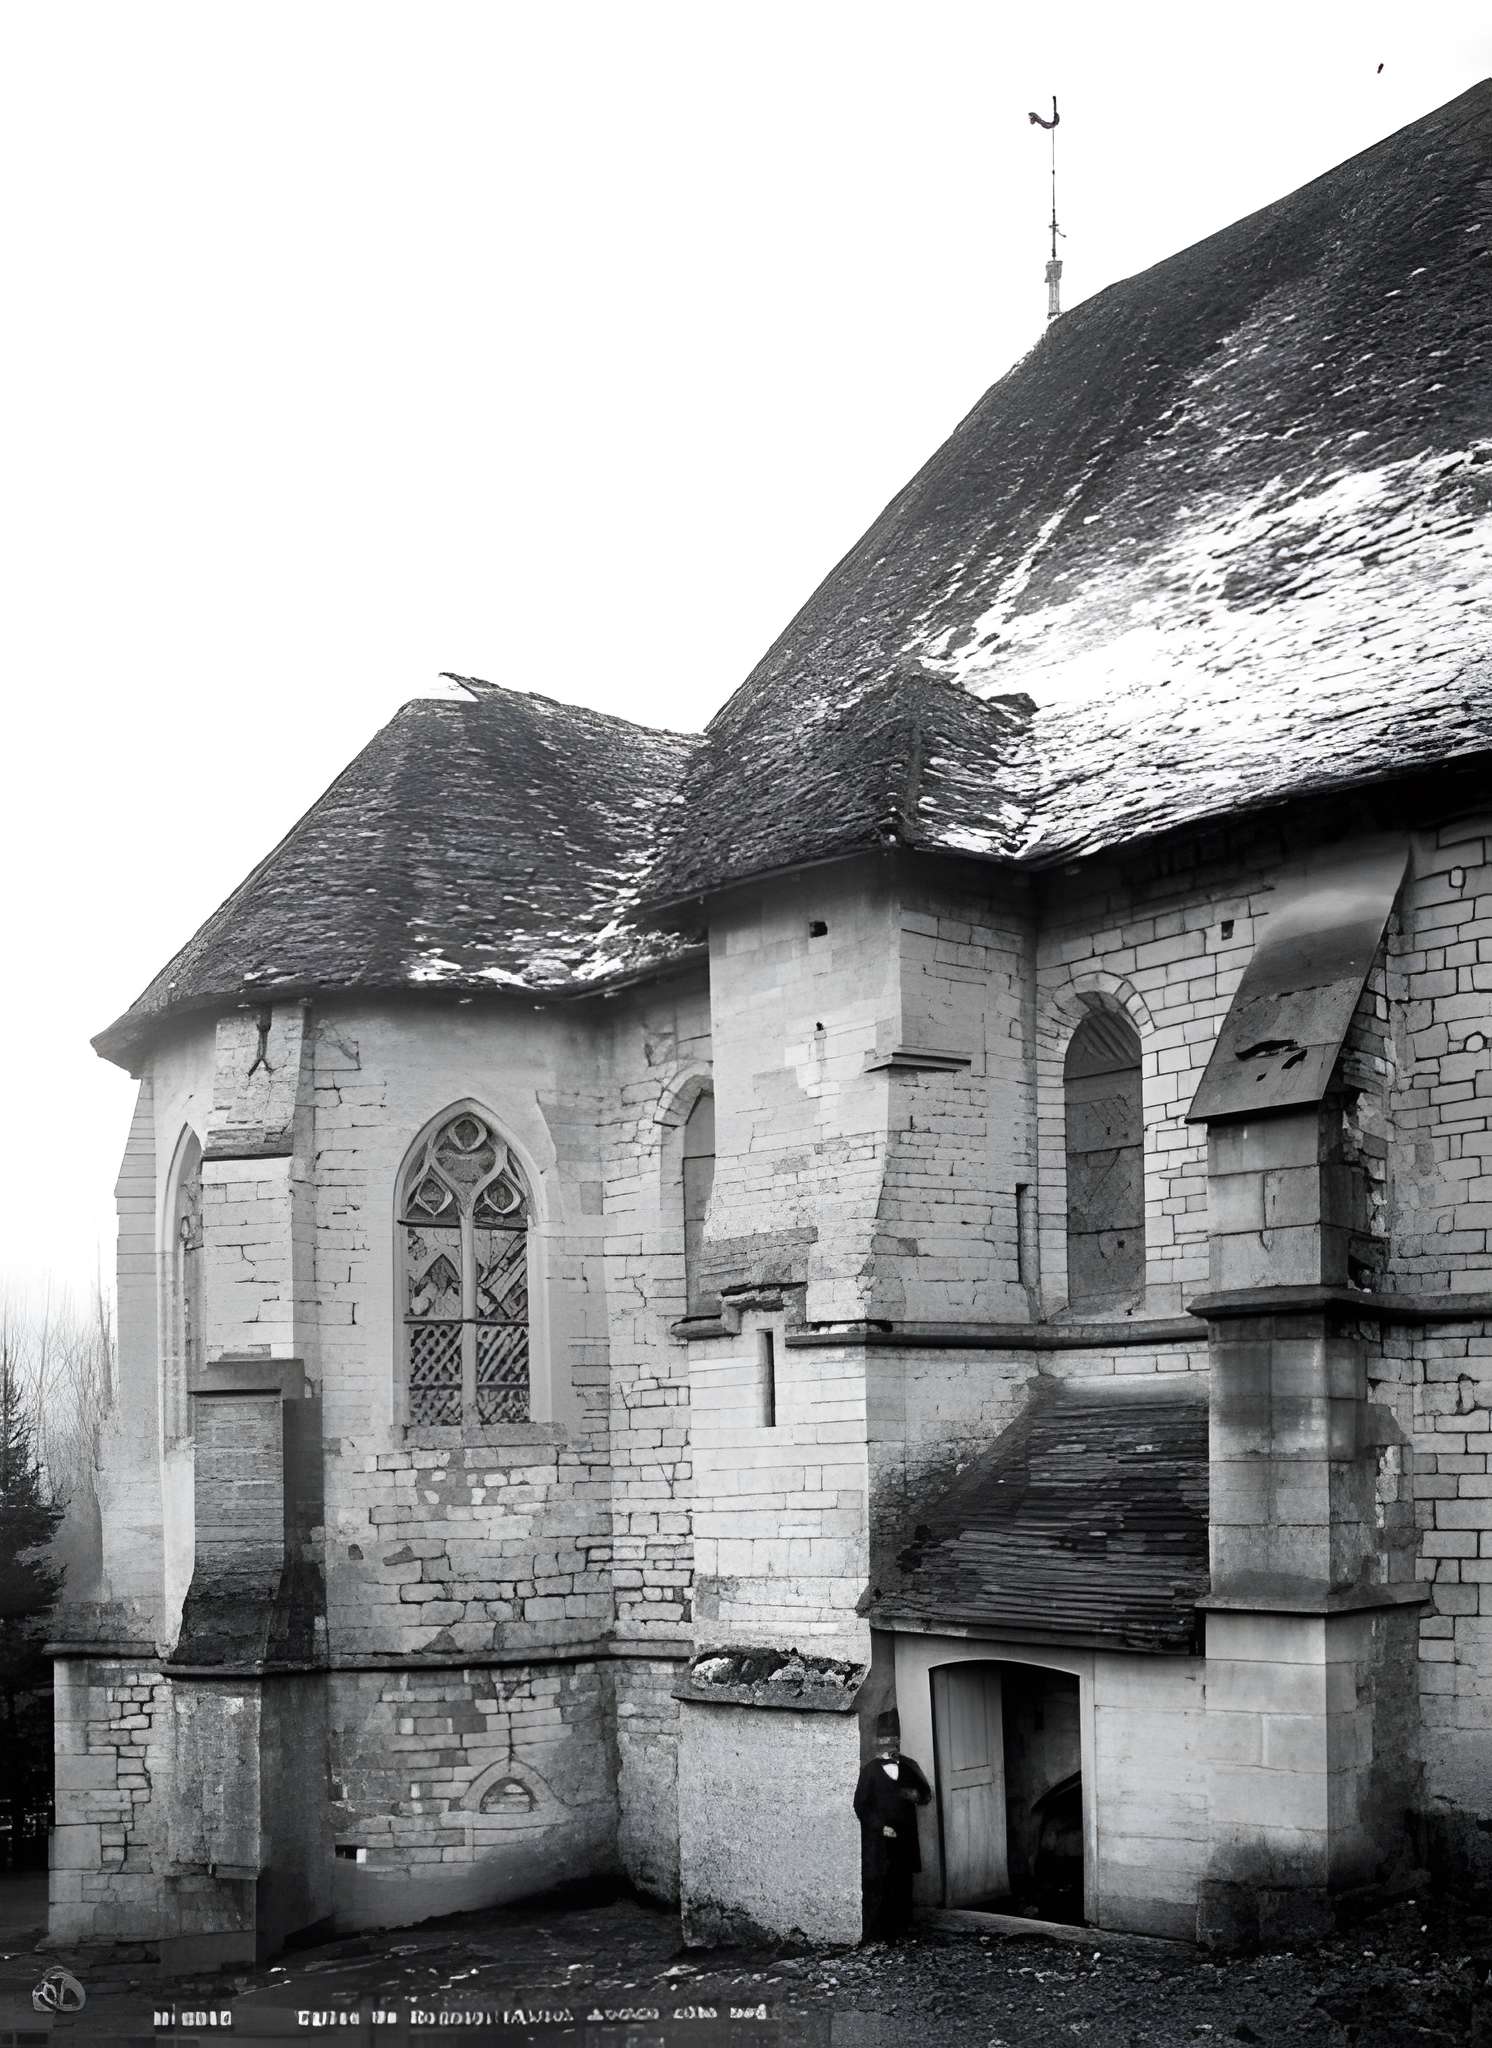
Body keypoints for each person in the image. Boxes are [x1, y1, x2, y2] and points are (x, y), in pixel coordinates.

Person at [853, 1709, 932, 1943]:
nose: (889, 1745)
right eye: (885, 1741)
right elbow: (860, 1806)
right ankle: (878, 1935)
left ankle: (902, 1930)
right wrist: (880, 1828)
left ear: (899, 1741)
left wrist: (916, 1795)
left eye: (893, 1740)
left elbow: (926, 1794)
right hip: (879, 1841)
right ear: (877, 1742)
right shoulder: (869, 1772)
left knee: (903, 1882)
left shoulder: (909, 1766)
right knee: (879, 1884)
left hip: (905, 1837)